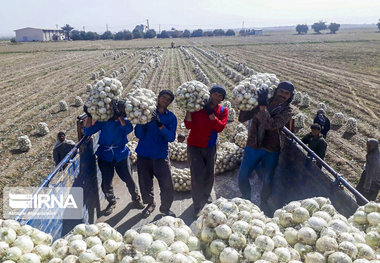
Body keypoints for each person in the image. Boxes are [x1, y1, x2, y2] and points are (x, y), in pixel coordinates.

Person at [238, 81, 295, 205]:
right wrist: (245, 102)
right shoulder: (262, 101)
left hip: (271, 149)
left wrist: (262, 108)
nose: (283, 95)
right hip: (253, 146)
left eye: (286, 93)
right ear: (276, 90)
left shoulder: (287, 111)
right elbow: (242, 118)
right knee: (242, 177)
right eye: (281, 91)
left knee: (267, 179)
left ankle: (263, 203)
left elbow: (271, 125)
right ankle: (246, 199)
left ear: (290, 96)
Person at [83, 101, 144, 216]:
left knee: (128, 179)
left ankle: (136, 198)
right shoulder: (104, 121)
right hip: (105, 155)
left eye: (121, 111)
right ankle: (111, 201)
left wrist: (119, 117)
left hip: (121, 154)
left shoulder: (125, 121)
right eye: (117, 110)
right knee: (106, 182)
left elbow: (127, 130)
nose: (120, 112)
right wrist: (90, 116)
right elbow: (88, 131)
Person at [184, 85, 229, 217]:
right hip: (194, 146)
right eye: (215, 94)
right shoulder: (197, 108)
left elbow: (219, 128)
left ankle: (206, 193)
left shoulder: (222, 110)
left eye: (220, 96)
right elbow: (188, 125)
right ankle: (197, 205)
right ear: (209, 94)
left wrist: (210, 113)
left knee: (210, 172)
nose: (217, 97)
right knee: (196, 175)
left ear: (222, 99)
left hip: (210, 145)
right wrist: (189, 110)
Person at [134, 90, 177, 218]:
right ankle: (150, 204)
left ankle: (165, 208)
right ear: (158, 98)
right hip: (144, 154)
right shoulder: (146, 114)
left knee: (166, 184)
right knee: (145, 182)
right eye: (163, 97)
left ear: (169, 103)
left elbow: (170, 138)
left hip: (160, 156)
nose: (165, 100)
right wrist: (144, 122)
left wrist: (160, 125)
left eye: (168, 99)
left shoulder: (171, 117)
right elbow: (138, 135)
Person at [356, 138, 380, 204]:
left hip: (372, 183)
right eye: (367, 146)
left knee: (363, 198)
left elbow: (370, 175)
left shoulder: (374, 158)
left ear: (373, 147)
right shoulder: (374, 153)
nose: (367, 148)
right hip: (370, 180)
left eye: (369, 146)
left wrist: (366, 188)